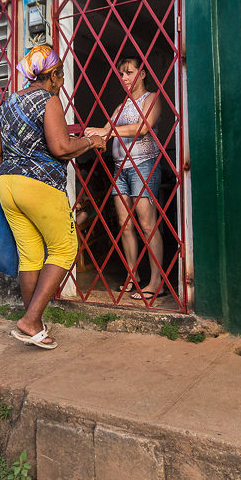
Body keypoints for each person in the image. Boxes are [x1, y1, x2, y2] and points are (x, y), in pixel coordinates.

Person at [0, 45, 105, 349]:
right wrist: (91, 141)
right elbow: (61, 148)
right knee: (65, 249)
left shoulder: (10, 101)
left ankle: (34, 327)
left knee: (30, 255)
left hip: (7, 185)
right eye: (61, 74)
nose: (62, 81)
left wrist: (4, 176)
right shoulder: (48, 100)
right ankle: (30, 319)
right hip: (38, 185)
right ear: (52, 75)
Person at [85, 56, 164, 301]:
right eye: (121, 74)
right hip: (120, 169)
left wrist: (106, 130)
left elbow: (142, 128)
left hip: (143, 165)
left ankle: (156, 281)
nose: (125, 78)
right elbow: (106, 135)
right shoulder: (120, 108)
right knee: (125, 224)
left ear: (142, 74)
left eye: (129, 72)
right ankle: (133, 276)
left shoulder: (152, 99)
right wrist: (90, 135)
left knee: (147, 224)